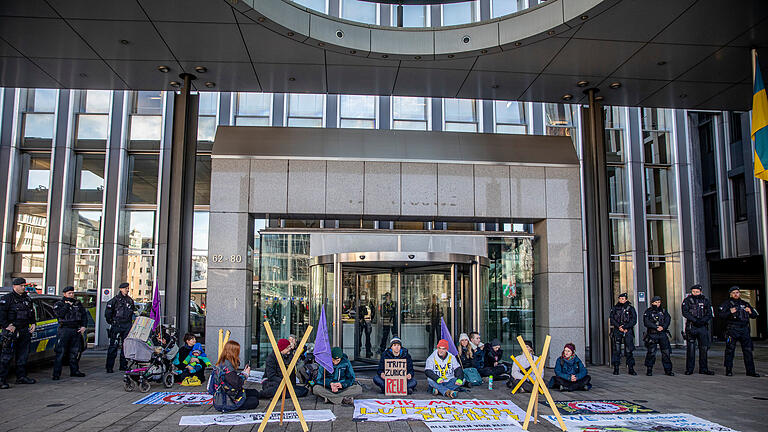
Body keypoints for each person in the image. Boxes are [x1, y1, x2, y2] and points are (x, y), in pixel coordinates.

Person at [0, 278, 37, 388]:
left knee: (23, 355)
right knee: (6, 357)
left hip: (24, 330)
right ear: (14, 286)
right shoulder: (7, 299)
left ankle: (21, 377)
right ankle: (2, 380)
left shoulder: (27, 299)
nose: (23, 287)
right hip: (11, 332)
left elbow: (31, 313)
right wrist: (6, 325)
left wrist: (33, 323)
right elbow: (1, 315)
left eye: (24, 285)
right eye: (21, 285)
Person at [718, 286, 760, 377]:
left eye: (737, 292)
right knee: (730, 350)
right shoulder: (727, 303)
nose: (735, 294)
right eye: (733, 293)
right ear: (730, 294)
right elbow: (721, 315)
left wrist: (750, 311)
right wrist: (730, 312)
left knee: (748, 350)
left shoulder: (745, 303)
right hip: (732, 329)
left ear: (739, 293)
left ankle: (751, 371)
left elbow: (755, 315)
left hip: (744, 329)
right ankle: (728, 370)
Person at [208, 340, 259, 411]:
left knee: (254, 392)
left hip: (227, 394)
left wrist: (243, 373)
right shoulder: (227, 367)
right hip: (226, 399)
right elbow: (237, 384)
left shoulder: (223, 363)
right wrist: (245, 374)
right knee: (254, 401)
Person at [52, 286, 88, 380]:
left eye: (72, 293)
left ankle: (74, 371)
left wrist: (83, 326)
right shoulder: (59, 304)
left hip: (75, 330)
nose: (71, 295)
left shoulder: (77, 303)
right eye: (69, 293)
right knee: (60, 352)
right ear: (64, 294)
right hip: (64, 330)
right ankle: (56, 374)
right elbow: (60, 314)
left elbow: (84, 315)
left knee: (74, 352)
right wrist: (67, 305)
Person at [681, 284, 714, 375]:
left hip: (702, 326)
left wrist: (702, 321)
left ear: (700, 292)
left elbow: (709, 313)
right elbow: (685, 312)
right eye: (693, 292)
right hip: (692, 326)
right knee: (691, 349)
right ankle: (689, 369)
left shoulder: (705, 301)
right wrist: (695, 320)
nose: (695, 293)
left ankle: (704, 369)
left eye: (697, 292)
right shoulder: (687, 300)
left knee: (704, 348)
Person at [104, 282, 136, 373]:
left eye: (128, 288)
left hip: (127, 325)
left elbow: (132, 312)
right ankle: (109, 367)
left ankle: (123, 365)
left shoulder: (130, 300)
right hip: (117, 325)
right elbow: (107, 314)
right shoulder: (114, 300)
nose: (127, 290)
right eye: (125, 288)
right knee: (113, 346)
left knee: (125, 347)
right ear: (121, 289)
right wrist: (112, 322)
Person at [643, 296, 674, 376]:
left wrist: (663, 327)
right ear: (652, 303)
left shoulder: (663, 311)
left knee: (666, 352)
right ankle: (649, 369)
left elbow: (667, 320)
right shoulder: (648, 311)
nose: (657, 304)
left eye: (659, 302)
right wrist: (656, 327)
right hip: (652, 334)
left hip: (662, 333)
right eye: (656, 302)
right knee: (651, 352)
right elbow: (646, 322)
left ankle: (668, 370)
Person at [609, 292, 637, 375]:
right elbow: (612, 318)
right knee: (616, 350)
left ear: (626, 299)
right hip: (618, 331)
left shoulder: (631, 308)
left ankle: (631, 368)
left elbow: (634, 320)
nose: (621, 300)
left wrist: (625, 327)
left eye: (623, 299)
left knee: (629, 350)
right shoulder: (615, 308)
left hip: (628, 331)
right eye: (620, 299)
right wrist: (619, 327)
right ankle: (616, 368)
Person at [356, 293, 373, 359]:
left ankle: (368, 350)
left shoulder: (369, 303)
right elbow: (356, 310)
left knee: (368, 337)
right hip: (361, 321)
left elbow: (372, 311)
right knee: (359, 337)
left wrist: (370, 319)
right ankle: (358, 350)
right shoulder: (359, 302)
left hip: (367, 321)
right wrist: (360, 318)